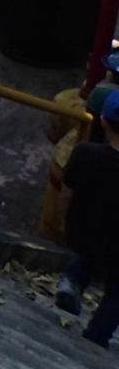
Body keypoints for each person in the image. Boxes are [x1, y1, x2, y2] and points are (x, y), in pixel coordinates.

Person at [60, 88, 119, 349]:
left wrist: (65, 220)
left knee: (89, 247)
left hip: (84, 231)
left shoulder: (85, 152)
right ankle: (98, 334)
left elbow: (67, 188)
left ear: (103, 120)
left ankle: (73, 279)